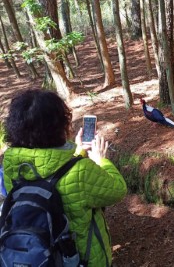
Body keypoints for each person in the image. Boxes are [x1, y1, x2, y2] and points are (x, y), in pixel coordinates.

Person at [2, 89, 127, 266]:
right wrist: (101, 160)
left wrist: (78, 150)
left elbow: (46, 169)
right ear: (60, 125)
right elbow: (117, 190)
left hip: (34, 255)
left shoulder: (11, 165)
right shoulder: (81, 171)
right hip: (79, 258)